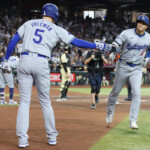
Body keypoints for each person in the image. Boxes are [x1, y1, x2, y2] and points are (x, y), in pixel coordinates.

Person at [0, 3, 112, 148]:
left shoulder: (28, 23)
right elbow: (77, 42)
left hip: (25, 59)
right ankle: (52, 137)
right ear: (55, 15)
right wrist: (97, 46)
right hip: (41, 61)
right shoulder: (57, 29)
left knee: (24, 103)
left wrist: (7, 59)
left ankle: (22, 140)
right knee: (45, 102)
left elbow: (14, 40)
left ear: (43, 13)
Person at [106, 15, 150, 130]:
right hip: (123, 65)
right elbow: (116, 44)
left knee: (136, 93)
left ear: (146, 26)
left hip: (137, 68)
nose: (140, 24)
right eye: (139, 22)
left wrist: (148, 57)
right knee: (115, 91)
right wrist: (113, 51)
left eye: (143, 23)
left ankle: (133, 121)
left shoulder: (148, 38)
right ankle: (110, 111)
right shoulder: (126, 33)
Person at [84, 40, 109, 109]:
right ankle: (93, 103)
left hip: (99, 73)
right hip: (91, 72)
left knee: (98, 89)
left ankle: (96, 95)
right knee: (93, 87)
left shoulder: (101, 53)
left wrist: (103, 57)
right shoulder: (89, 52)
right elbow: (85, 62)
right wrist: (91, 57)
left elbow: (107, 62)